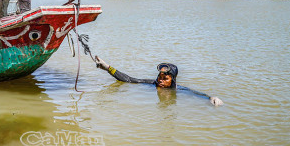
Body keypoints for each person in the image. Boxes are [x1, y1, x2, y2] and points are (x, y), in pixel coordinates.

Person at [95, 56, 224, 106]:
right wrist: (107, 68)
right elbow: (129, 79)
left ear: (172, 80)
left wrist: (212, 97)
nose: (160, 80)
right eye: (159, 77)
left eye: (165, 78)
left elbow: (197, 94)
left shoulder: (179, 89)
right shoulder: (152, 83)